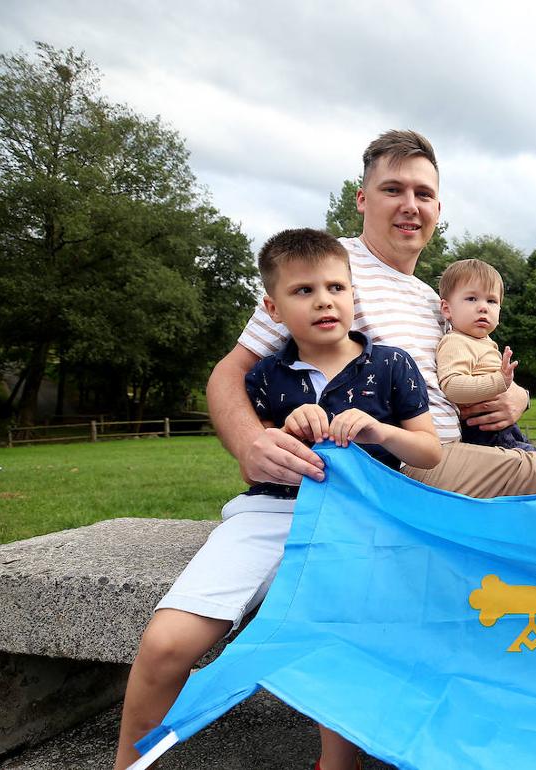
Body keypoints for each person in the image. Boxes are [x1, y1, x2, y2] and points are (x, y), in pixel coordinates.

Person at [114, 229, 442, 770]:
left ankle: (338, 764)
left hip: (365, 517)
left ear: (353, 295)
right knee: (167, 642)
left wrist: (379, 433)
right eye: (303, 291)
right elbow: (262, 441)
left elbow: (428, 451)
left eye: (336, 287)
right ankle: (128, 762)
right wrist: (286, 430)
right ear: (273, 307)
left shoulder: (390, 364)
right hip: (270, 512)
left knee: (343, 638)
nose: (324, 301)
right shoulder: (266, 376)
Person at [207, 130, 536, 501]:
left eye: (423, 194)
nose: (410, 205)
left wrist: (517, 395)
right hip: (396, 464)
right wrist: (249, 444)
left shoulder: (431, 298)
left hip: (456, 453)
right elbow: (232, 370)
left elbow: (456, 376)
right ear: (362, 199)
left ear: (438, 209)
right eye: (393, 189)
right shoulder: (328, 272)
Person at [435, 258, 535, 451]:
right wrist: (499, 381)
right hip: (484, 433)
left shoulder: (483, 342)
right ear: (447, 309)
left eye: (491, 301)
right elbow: (452, 386)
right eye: (471, 299)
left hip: (503, 430)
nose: (483, 307)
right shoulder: (456, 341)